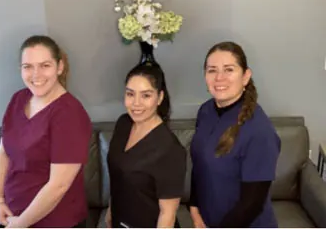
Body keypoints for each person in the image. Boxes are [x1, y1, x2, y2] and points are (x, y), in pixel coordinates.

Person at [0, 35, 92, 228]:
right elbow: (4, 151)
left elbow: (58, 186)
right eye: (27, 66)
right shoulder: (18, 99)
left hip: (54, 221)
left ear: (59, 67)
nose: (36, 74)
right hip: (12, 213)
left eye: (45, 65)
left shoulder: (70, 114)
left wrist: (20, 224)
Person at [189, 41, 281, 228]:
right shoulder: (206, 111)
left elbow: (251, 205)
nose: (219, 78)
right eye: (212, 70)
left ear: (246, 76)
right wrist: (194, 208)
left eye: (229, 70)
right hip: (208, 220)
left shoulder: (259, 131)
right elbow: (199, 165)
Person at [106, 62, 187, 228]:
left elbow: (168, 214)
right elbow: (118, 178)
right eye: (130, 94)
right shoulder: (123, 124)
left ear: (160, 97)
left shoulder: (170, 149)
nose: (136, 103)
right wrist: (110, 212)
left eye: (146, 95)